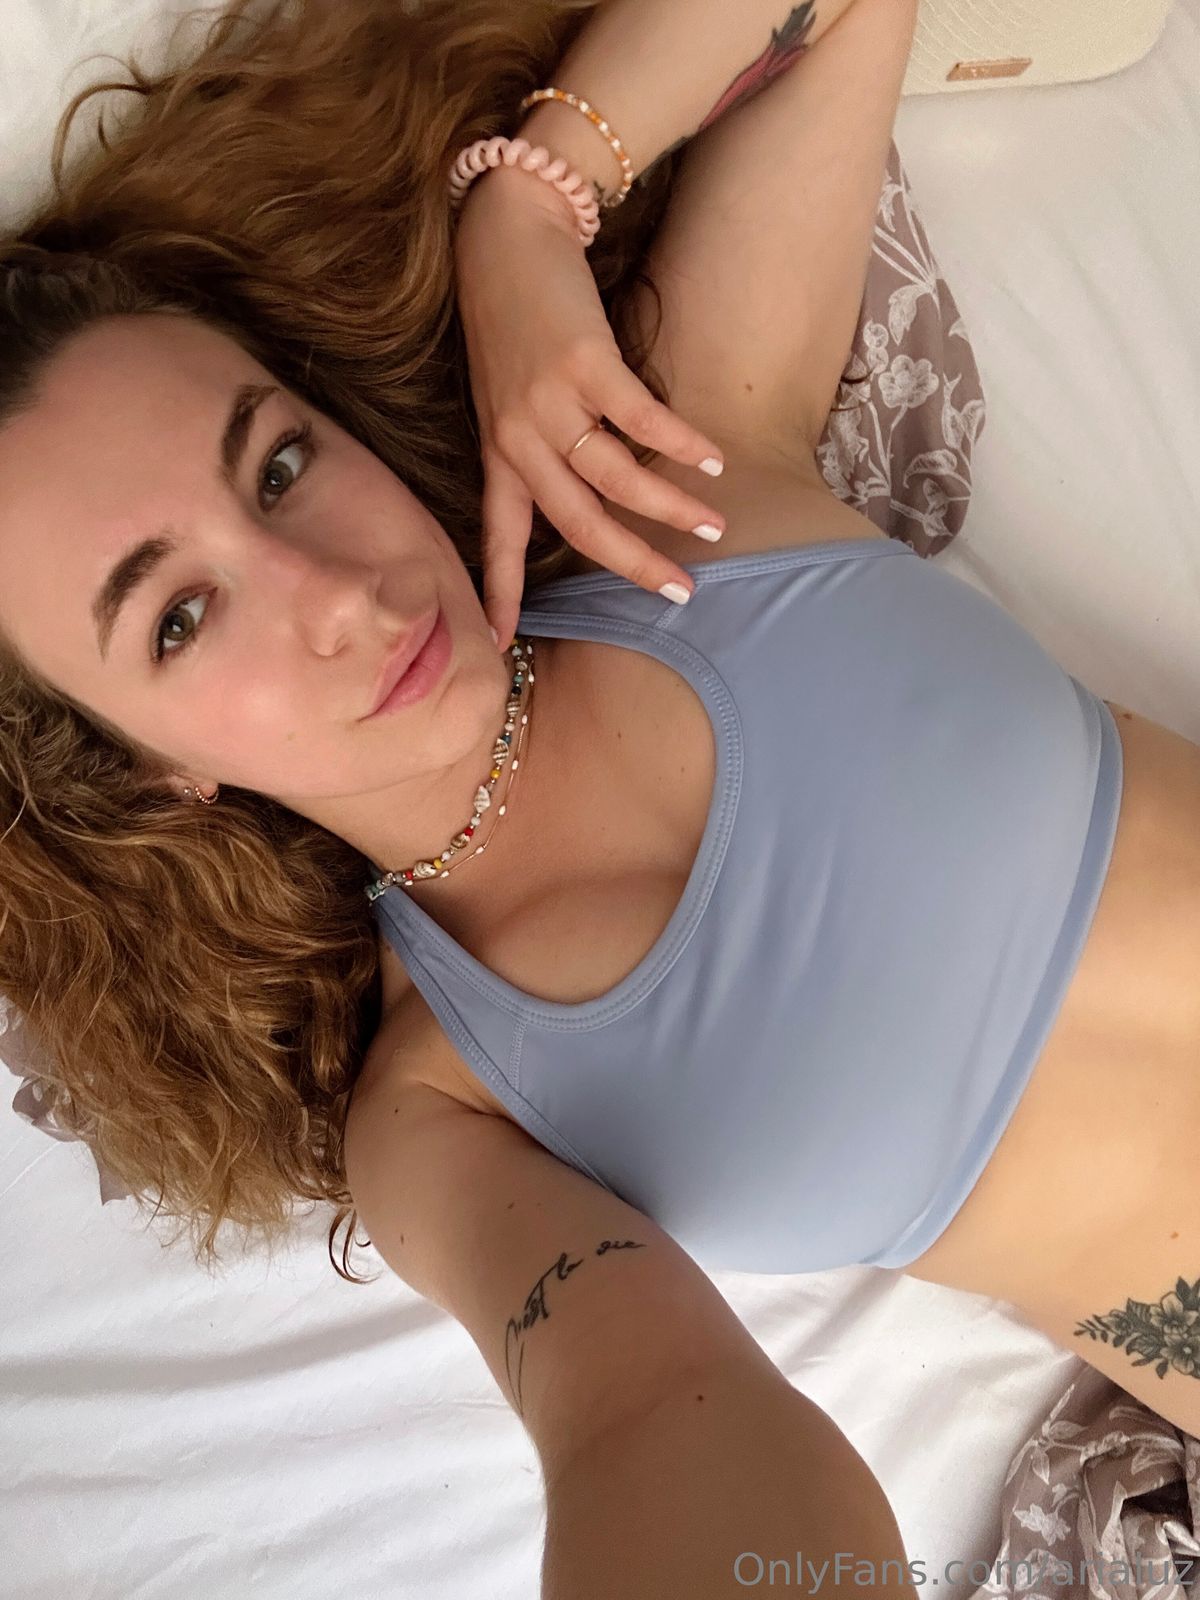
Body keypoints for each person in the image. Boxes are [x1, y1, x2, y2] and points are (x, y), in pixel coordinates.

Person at [2, 0, 1197, 1589]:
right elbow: (640, 1417)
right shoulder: (445, 1110)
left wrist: (526, 207)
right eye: (179, 617)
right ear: (149, 765)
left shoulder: (690, 493)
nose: (335, 595)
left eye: (279, 464)